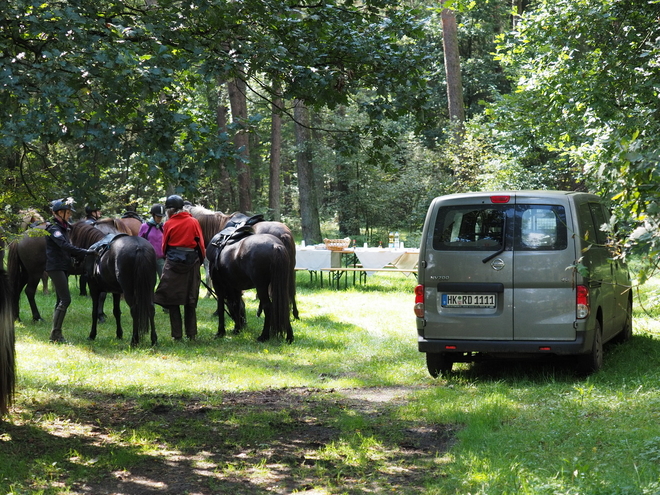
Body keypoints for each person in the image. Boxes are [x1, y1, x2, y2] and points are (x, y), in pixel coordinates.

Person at [154, 195, 206, 340]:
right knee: (190, 299)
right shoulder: (193, 222)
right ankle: (192, 334)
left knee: (172, 300)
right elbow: (201, 245)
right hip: (192, 263)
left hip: (173, 264)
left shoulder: (168, 224)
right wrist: (198, 262)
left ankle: (177, 336)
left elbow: (164, 246)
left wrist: (169, 259)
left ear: (170, 210)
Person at [45, 198, 93, 343]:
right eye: (68, 212)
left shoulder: (63, 227)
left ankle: (55, 334)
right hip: (56, 267)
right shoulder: (54, 228)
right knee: (66, 299)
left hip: (63, 266)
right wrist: (86, 252)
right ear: (59, 212)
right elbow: (65, 246)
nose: (70, 215)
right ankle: (56, 335)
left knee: (61, 299)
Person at [138, 204, 166, 278]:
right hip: (148, 259)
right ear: (153, 215)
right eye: (158, 216)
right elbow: (140, 242)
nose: (159, 218)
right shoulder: (144, 227)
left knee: (165, 279)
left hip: (160, 259)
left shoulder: (164, 227)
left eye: (161, 217)